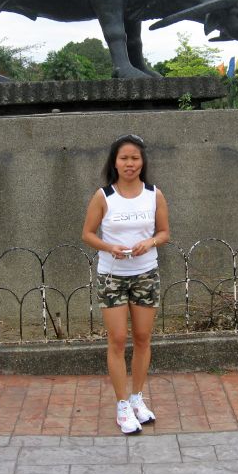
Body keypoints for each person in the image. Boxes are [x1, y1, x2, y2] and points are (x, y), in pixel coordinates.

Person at [82, 134, 170, 434]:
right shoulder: (103, 196)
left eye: (135, 158)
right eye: (124, 158)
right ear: (115, 162)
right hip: (112, 275)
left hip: (146, 273)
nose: (129, 163)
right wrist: (109, 248)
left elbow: (164, 232)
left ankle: (136, 398)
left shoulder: (153, 194)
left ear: (142, 162)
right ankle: (121, 406)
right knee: (118, 339)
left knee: (143, 338)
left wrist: (151, 242)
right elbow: (88, 234)